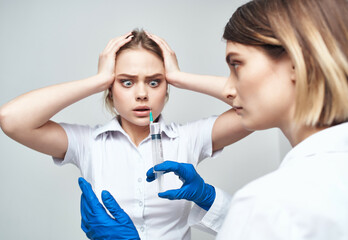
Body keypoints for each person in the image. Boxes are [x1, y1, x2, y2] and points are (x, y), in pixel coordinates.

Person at [79, 0, 348, 239]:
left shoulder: (266, 205)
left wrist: (178, 77)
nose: (229, 88)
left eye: (236, 64)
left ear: (296, 63)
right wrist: (209, 198)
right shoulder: (317, 181)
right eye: (126, 82)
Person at [0, 29, 250, 239]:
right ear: (110, 89)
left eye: (154, 82)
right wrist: (98, 80)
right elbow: (11, 119)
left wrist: (180, 77)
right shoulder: (88, 143)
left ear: (167, 88)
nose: (142, 94)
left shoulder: (189, 138)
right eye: (126, 82)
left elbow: (257, 105)